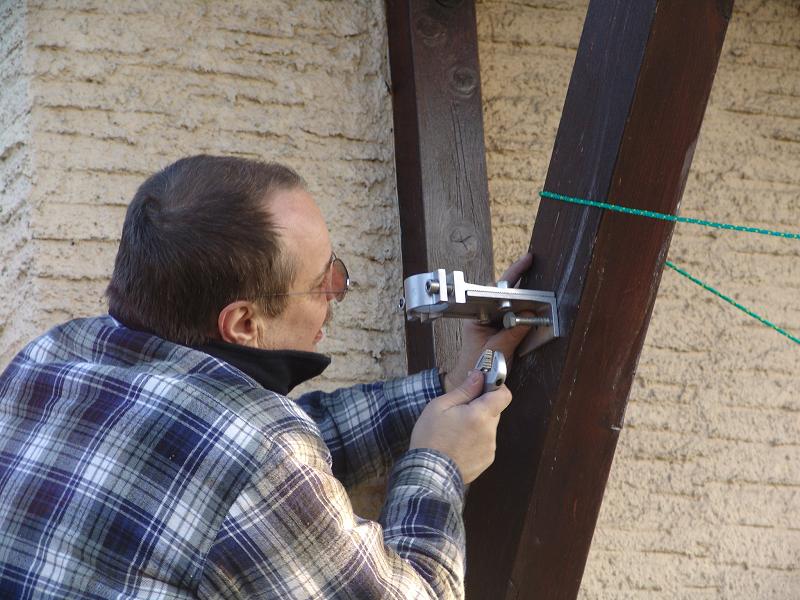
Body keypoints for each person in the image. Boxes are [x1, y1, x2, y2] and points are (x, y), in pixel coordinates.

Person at [0, 155, 533, 599]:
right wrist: (438, 465)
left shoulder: (50, 356)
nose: (338, 291)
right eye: (325, 280)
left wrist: (446, 390)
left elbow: (234, 456)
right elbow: (258, 463)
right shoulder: (261, 453)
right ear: (243, 322)